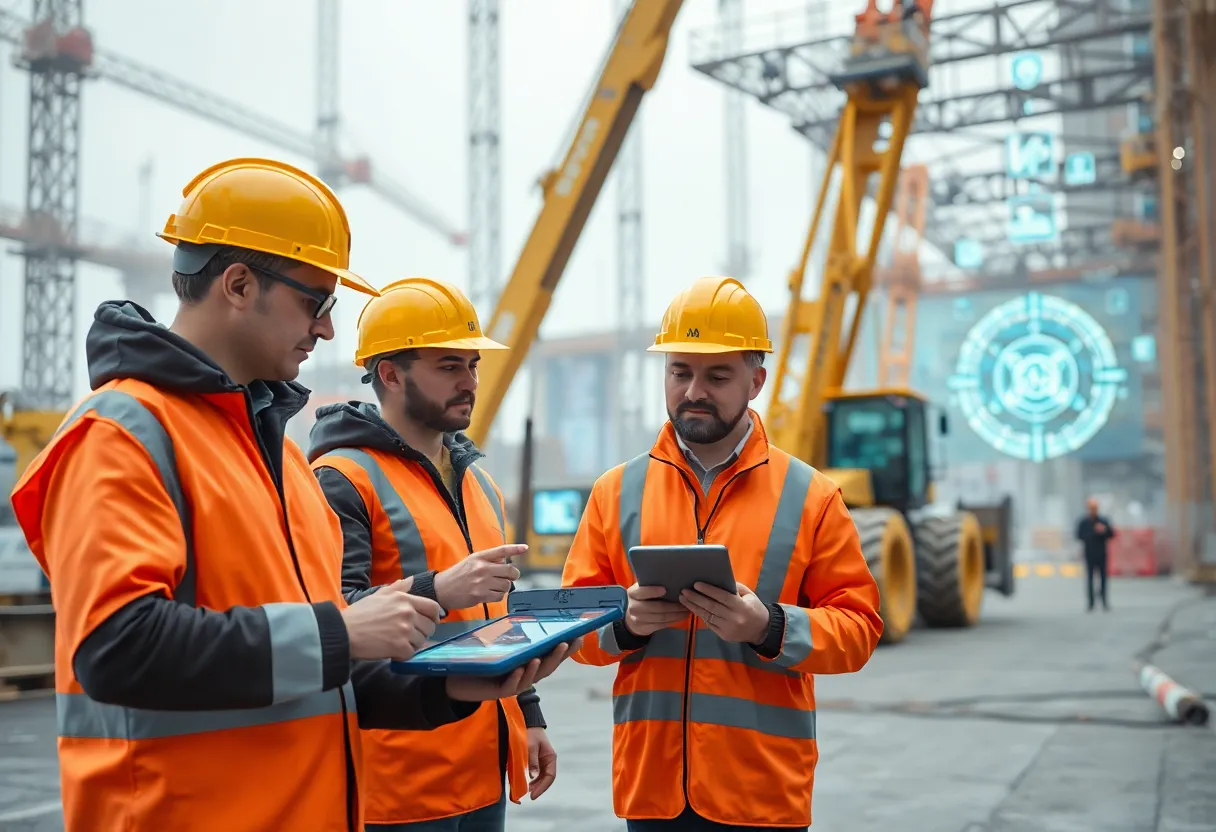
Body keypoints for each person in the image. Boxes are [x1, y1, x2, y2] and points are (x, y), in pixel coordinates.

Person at [8, 158, 579, 832]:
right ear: (240, 284)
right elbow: (119, 647)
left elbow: (321, 670)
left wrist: (448, 688)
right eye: (317, 301)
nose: (330, 329)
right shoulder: (123, 434)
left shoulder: (276, 454)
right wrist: (341, 631)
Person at [560, 275, 885, 831]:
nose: (693, 391)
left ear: (756, 380)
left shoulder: (811, 496)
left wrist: (770, 626)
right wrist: (627, 622)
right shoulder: (616, 492)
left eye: (717, 375)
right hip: (652, 789)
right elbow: (570, 625)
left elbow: (858, 631)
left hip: (760, 791)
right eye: (680, 372)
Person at [307, 276, 556, 830]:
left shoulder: (478, 483)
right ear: (391, 374)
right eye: (449, 366)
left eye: (472, 364)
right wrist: (437, 590)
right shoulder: (341, 479)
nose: (470, 381)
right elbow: (333, 617)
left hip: (484, 769)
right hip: (401, 786)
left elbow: (498, 616)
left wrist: (529, 715)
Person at [1076, 497, 1116, 611]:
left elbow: (1111, 534)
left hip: (1102, 554)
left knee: (1103, 578)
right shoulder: (1084, 522)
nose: (1093, 511)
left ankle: (1104, 601)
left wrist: (1104, 531)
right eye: (1091, 508)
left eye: (1095, 508)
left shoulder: (1103, 521)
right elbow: (1079, 535)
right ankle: (1091, 602)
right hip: (1090, 554)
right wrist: (1093, 533)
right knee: (1090, 579)